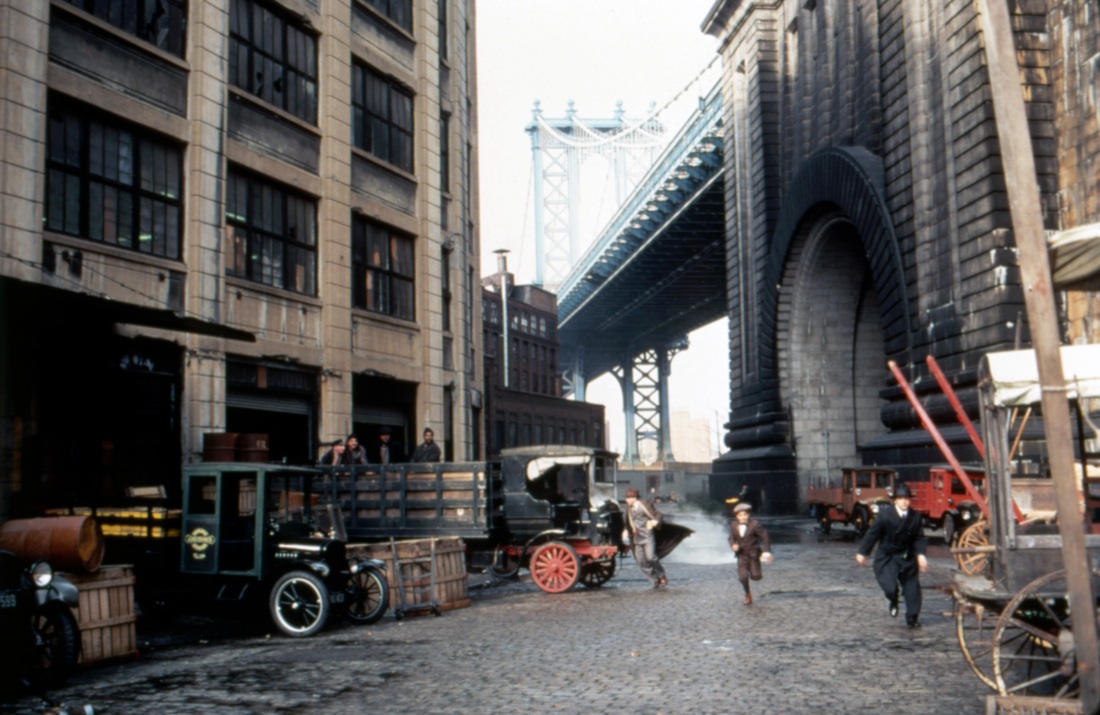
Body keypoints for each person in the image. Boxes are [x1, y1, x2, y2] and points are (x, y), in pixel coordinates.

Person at [855, 483, 928, 628]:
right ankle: (893, 598)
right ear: (895, 500)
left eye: (907, 498)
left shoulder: (915, 517)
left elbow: (919, 537)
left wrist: (921, 555)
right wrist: (863, 552)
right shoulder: (885, 516)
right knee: (889, 586)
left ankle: (912, 618)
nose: (904, 501)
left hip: (907, 556)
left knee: (912, 589)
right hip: (888, 556)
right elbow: (872, 534)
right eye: (900, 498)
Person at [728, 502, 772, 605]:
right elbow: (731, 538)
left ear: (748, 515)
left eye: (744, 515)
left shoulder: (755, 524)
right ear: (737, 516)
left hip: (753, 554)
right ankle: (747, 594)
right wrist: (733, 545)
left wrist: (766, 552)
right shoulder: (734, 525)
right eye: (740, 515)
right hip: (741, 554)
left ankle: (755, 573)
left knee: (756, 576)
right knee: (742, 576)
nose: (742, 517)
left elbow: (765, 537)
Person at [624, 487, 668, 589]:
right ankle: (654, 580)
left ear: (635, 498)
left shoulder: (644, 505)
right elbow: (627, 521)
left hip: (647, 535)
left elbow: (658, 515)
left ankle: (661, 575)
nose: (627, 500)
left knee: (651, 557)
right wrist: (626, 530)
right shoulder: (628, 508)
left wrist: (654, 522)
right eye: (627, 498)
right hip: (637, 537)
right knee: (641, 561)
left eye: (629, 498)